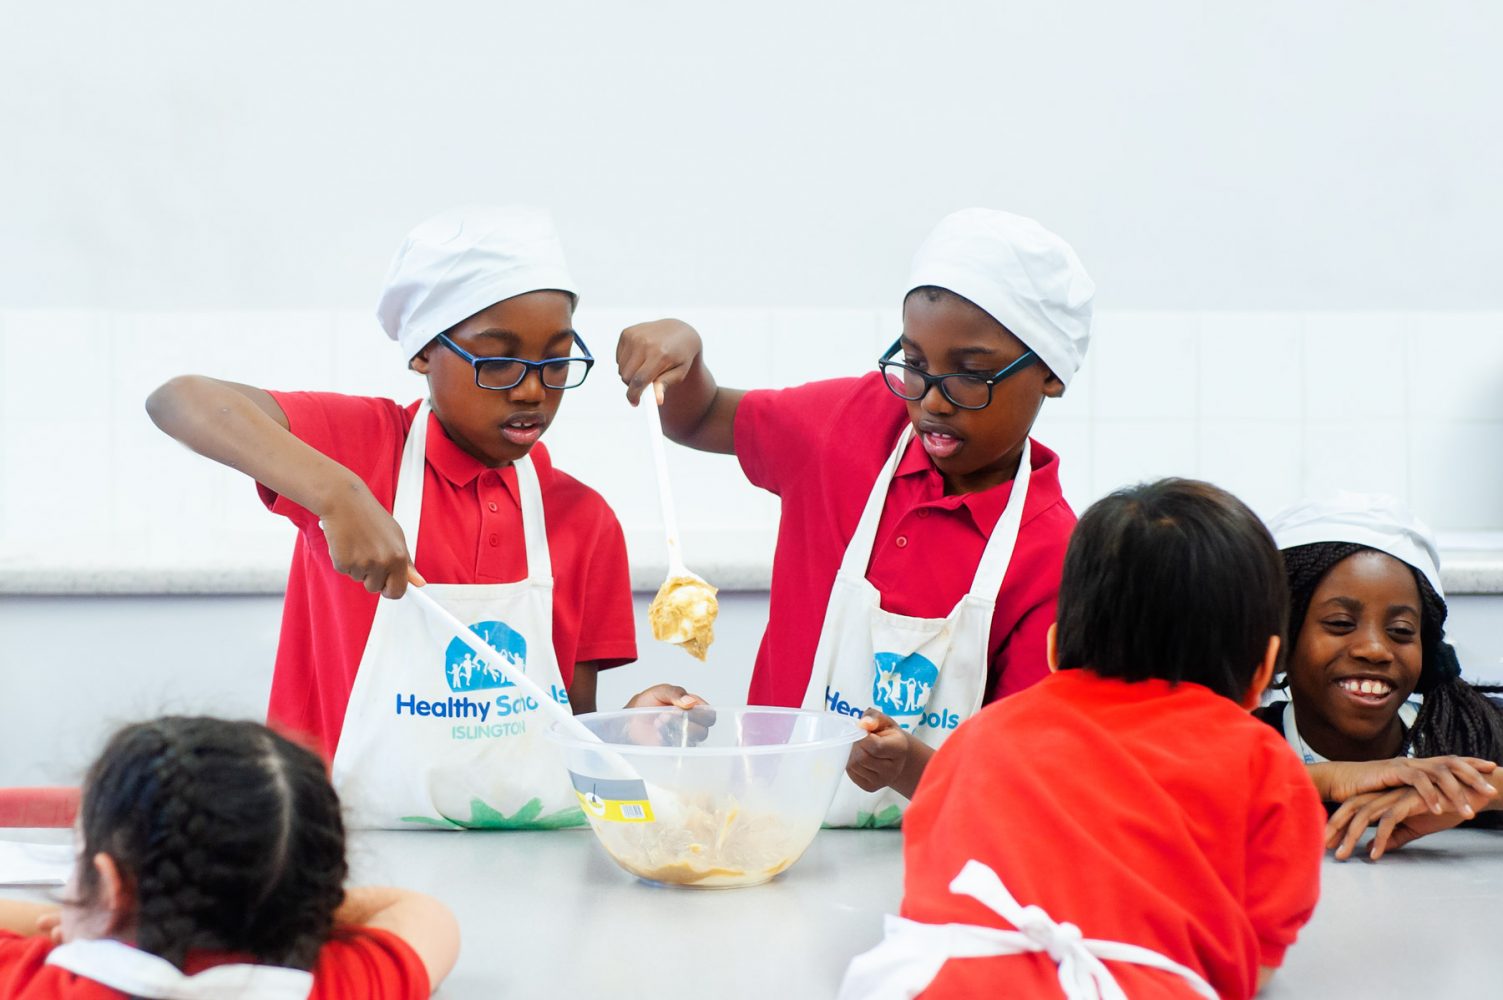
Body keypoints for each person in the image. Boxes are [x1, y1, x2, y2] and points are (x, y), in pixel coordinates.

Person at [147, 206, 699, 829]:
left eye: (556, 362)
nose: (530, 392)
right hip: (338, 845)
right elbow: (180, 399)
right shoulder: (362, 451)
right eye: (497, 361)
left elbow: (564, 734)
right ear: (424, 355)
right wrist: (339, 496)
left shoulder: (584, 521)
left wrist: (630, 735)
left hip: (516, 864)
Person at [616, 208, 1092, 826]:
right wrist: (683, 351)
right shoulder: (847, 427)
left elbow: (1020, 791)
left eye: (971, 376)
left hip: (931, 868)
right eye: (914, 364)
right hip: (759, 835)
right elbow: (698, 415)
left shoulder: (1054, 554)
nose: (931, 399)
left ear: (1050, 374)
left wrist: (909, 766)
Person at [839, 480, 1325, 999]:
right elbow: (1254, 965)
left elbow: (931, 882)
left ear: (1053, 648)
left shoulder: (979, 736)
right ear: (1265, 669)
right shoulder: (1264, 764)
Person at [0, 716, 457, 998]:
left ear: (112, 889)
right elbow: (423, 914)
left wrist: (95, 924)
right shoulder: (339, 986)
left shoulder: (30, 981)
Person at [1258, 492, 1503, 860]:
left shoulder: (1475, 738)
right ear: (1284, 636)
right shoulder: (1250, 744)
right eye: (1340, 623)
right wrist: (1327, 780)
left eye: (1402, 630)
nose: (1375, 649)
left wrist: (1488, 790)